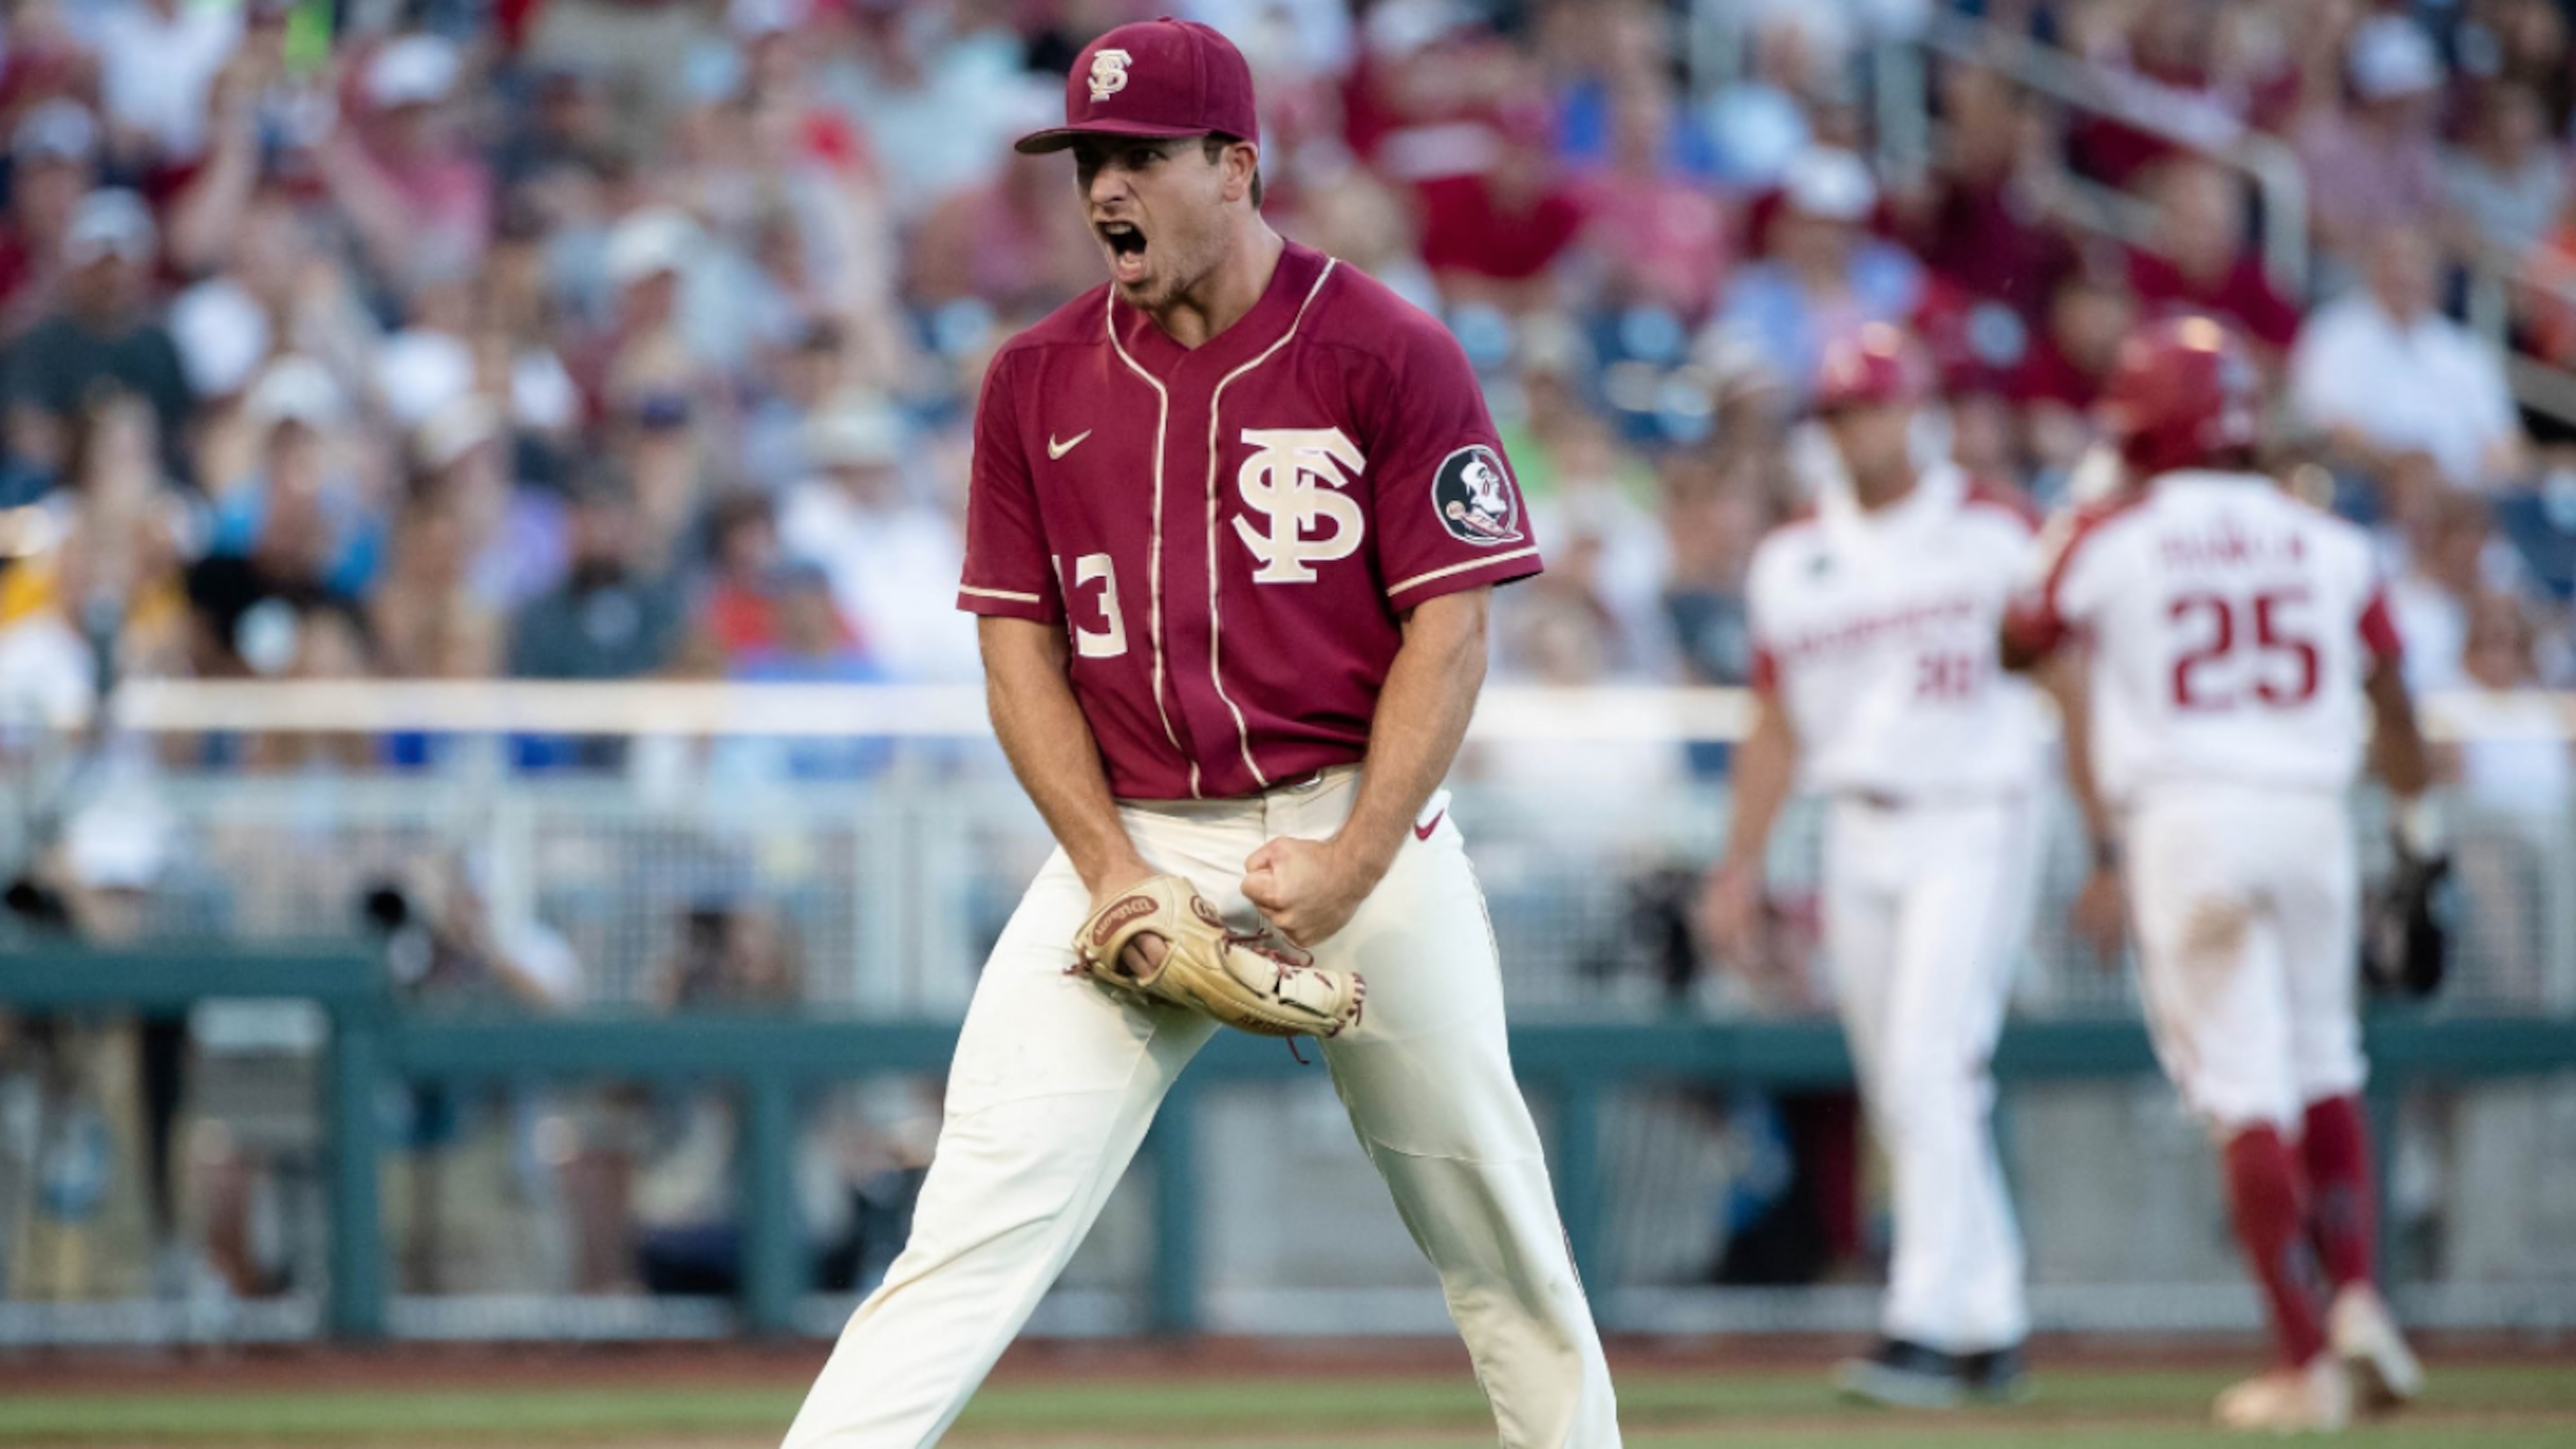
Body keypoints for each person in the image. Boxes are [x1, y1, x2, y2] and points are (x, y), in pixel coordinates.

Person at [781, 20, 1620, 1448]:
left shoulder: (1387, 348)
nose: (1105, 187)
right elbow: (1017, 652)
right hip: (1135, 831)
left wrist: (1355, 859)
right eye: (1088, 161)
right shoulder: (1033, 376)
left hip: (1355, 816)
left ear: (1235, 166)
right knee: (971, 1222)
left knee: (1498, 1231)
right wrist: (1111, 871)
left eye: (1141, 156)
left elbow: (1451, 627)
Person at [2001, 317, 2433, 1433]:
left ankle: (2305, 1361)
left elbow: (2018, 635)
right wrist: (2418, 830)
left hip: (2188, 815)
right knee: (2326, 1058)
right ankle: (2357, 1298)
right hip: (2312, 813)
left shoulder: (2114, 533)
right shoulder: (2322, 534)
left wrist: (2086, 500)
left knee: (2242, 1089)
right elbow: (2393, 688)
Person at [1700, 327, 2042, 1408]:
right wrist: (1738, 863)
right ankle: (1990, 1317)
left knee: (1930, 1062)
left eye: (1878, 406)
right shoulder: (1792, 555)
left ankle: (1923, 1321)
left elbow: (2069, 675)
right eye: (1844, 412)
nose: (1862, 429)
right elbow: (1773, 724)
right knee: (1905, 1078)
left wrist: (2111, 835)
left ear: (1918, 410)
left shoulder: (1993, 525)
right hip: (1854, 821)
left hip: (1977, 810)